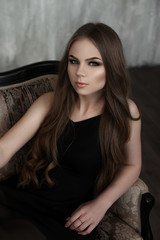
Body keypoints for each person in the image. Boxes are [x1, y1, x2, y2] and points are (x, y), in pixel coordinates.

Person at [0, 22, 141, 240]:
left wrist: (101, 204)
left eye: (93, 63)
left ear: (111, 67)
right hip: (20, 197)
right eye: (73, 61)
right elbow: (4, 148)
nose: (80, 72)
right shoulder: (50, 102)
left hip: (66, 217)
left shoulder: (125, 111)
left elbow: (132, 164)